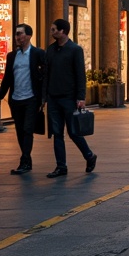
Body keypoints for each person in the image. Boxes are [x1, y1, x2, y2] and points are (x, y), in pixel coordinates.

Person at [44, 18, 97, 177]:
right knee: (57, 133)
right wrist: (44, 97)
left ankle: (89, 156)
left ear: (62, 31)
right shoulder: (51, 50)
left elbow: (81, 75)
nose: (52, 32)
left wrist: (81, 97)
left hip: (69, 98)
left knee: (74, 132)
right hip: (53, 98)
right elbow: (47, 74)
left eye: (54, 30)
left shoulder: (75, 50)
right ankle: (61, 166)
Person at [0, 24, 46, 174]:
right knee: (19, 130)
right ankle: (27, 160)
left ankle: (24, 160)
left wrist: (43, 97)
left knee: (28, 129)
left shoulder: (38, 54)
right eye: (16, 34)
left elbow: (45, 76)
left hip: (31, 98)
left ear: (29, 36)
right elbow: (7, 78)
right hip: (16, 99)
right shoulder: (12, 56)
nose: (17, 37)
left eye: (20, 34)